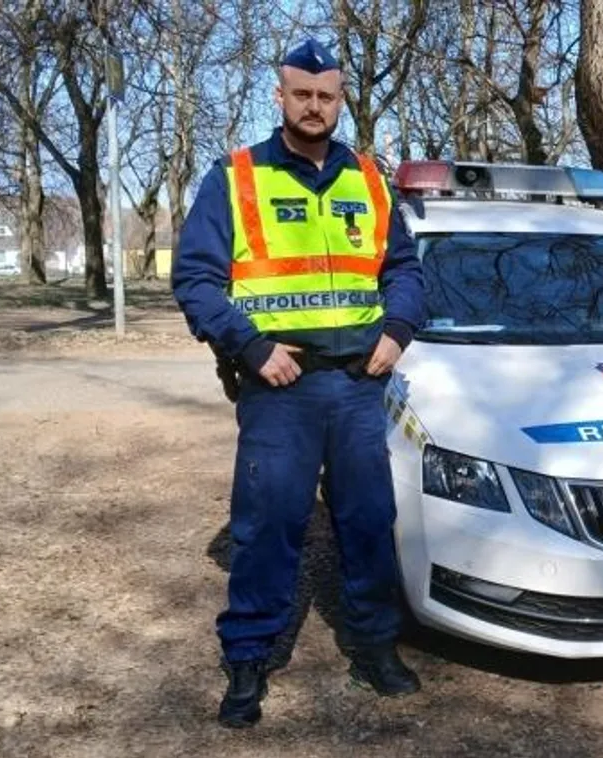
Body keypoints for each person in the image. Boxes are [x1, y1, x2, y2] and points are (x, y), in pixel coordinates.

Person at [172, 38, 427, 727]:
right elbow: (195, 280)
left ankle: (374, 646)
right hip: (278, 388)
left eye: (327, 96)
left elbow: (403, 269)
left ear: (340, 99)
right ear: (280, 97)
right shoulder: (234, 176)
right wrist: (249, 346)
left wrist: (396, 330)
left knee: (369, 522)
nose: (315, 107)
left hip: (355, 385)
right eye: (302, 95)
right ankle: (249, 660)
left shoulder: (369, 178)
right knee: (268, 527)